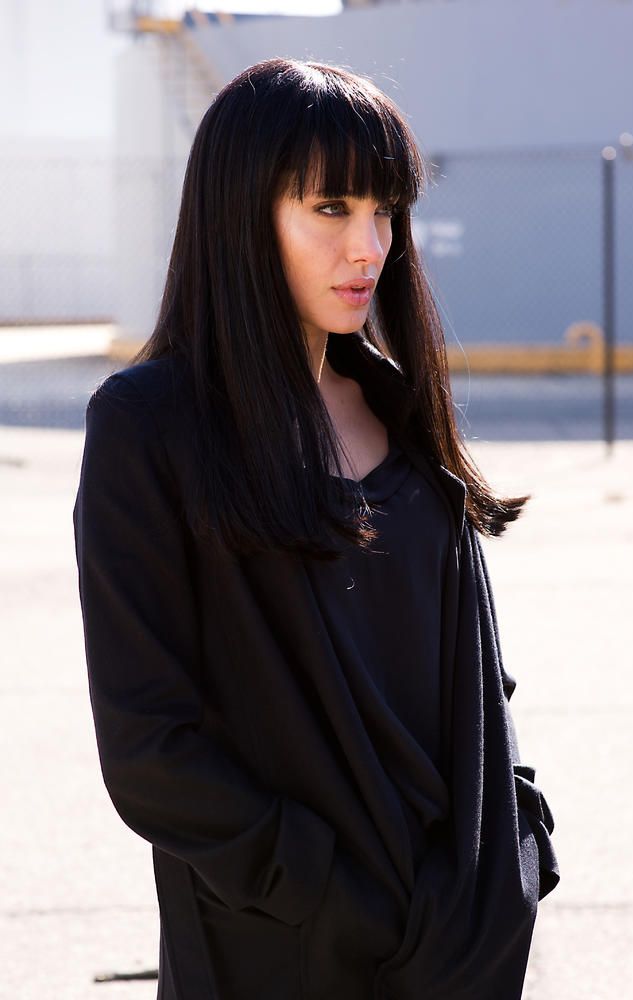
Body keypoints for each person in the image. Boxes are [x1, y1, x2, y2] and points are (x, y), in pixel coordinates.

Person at [73, 57, 560, 1000]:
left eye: (385, 210)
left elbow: (475, 676)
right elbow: (148, 748)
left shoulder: (399, 408)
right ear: (240, 214)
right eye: (330, 208)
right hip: (277, 954)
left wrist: (516, 849)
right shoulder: (150, 426)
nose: (368, 246)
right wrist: (332, 899)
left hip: (459, 949)